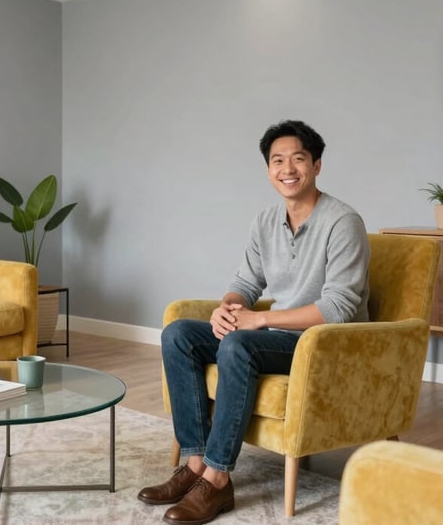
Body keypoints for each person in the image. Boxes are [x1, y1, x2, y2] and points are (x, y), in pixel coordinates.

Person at [137, 120, 370, 525]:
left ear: (316, 165)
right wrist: (228, 307)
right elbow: (246, 281)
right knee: (178, 335)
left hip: (323, 342)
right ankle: (193, 464)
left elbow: (338, 307)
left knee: (239, 344)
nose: (288, 169)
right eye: (277, 161)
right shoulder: (265, 221)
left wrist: (258, 319)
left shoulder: (343, 221)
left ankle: (218, 477)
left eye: (298, 159)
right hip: (275, 336)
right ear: (268, 170)